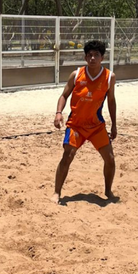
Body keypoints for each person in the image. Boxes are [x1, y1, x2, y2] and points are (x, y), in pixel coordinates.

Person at [51, 40, 117, 204]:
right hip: (76, 125)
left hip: (96, 126)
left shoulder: (109, 77)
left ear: (102, 57)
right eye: (89, 55)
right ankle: (56, 192)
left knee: (110, 159)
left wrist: (114, 125)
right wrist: (58, 113)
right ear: (85, 57)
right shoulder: (76, 74)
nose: (92, 58)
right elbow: (64, 95)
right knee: (68, 155)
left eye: (96, 55)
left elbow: (111, 102)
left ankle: (108, 191)